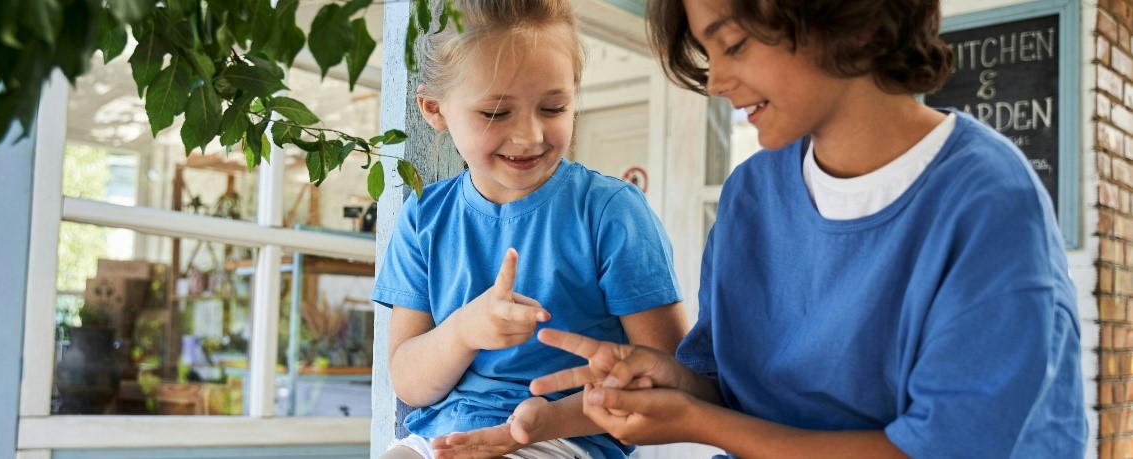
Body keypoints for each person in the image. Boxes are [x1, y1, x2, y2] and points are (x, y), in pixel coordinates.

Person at [520, 0, 1088, 456]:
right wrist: (665, 382)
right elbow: (725, 387)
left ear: (853, 21)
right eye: (708, 52)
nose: (715, 79)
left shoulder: (989, 203)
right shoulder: (751, 196)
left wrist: (698, 422)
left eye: (734, 44)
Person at [371, 1, 687, 458]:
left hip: (566, 437)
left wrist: (548, 419)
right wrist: (464, 330)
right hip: (439, 440)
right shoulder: (424, 218)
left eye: (553, 107)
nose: (530, 136)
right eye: (496, 114)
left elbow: (668, 375)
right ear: (434, 109)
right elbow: (409, 381)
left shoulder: (610, 213)